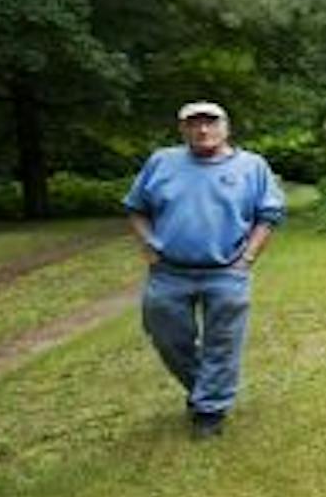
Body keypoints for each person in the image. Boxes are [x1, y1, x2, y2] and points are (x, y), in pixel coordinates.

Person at [122, 101, 287, 437]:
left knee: (222, 343)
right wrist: (149, 246)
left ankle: (209, 412)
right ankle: (206, 391)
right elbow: (136, 208)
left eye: (210, 123)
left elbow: (268, 216)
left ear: (226, 127)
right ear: (182, 130)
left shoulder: (251, 166)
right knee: (166, 337)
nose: (202, 130)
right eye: (193, 124)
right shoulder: (162, 162)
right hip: (169, 271)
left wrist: (248, 258)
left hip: (226, 272)